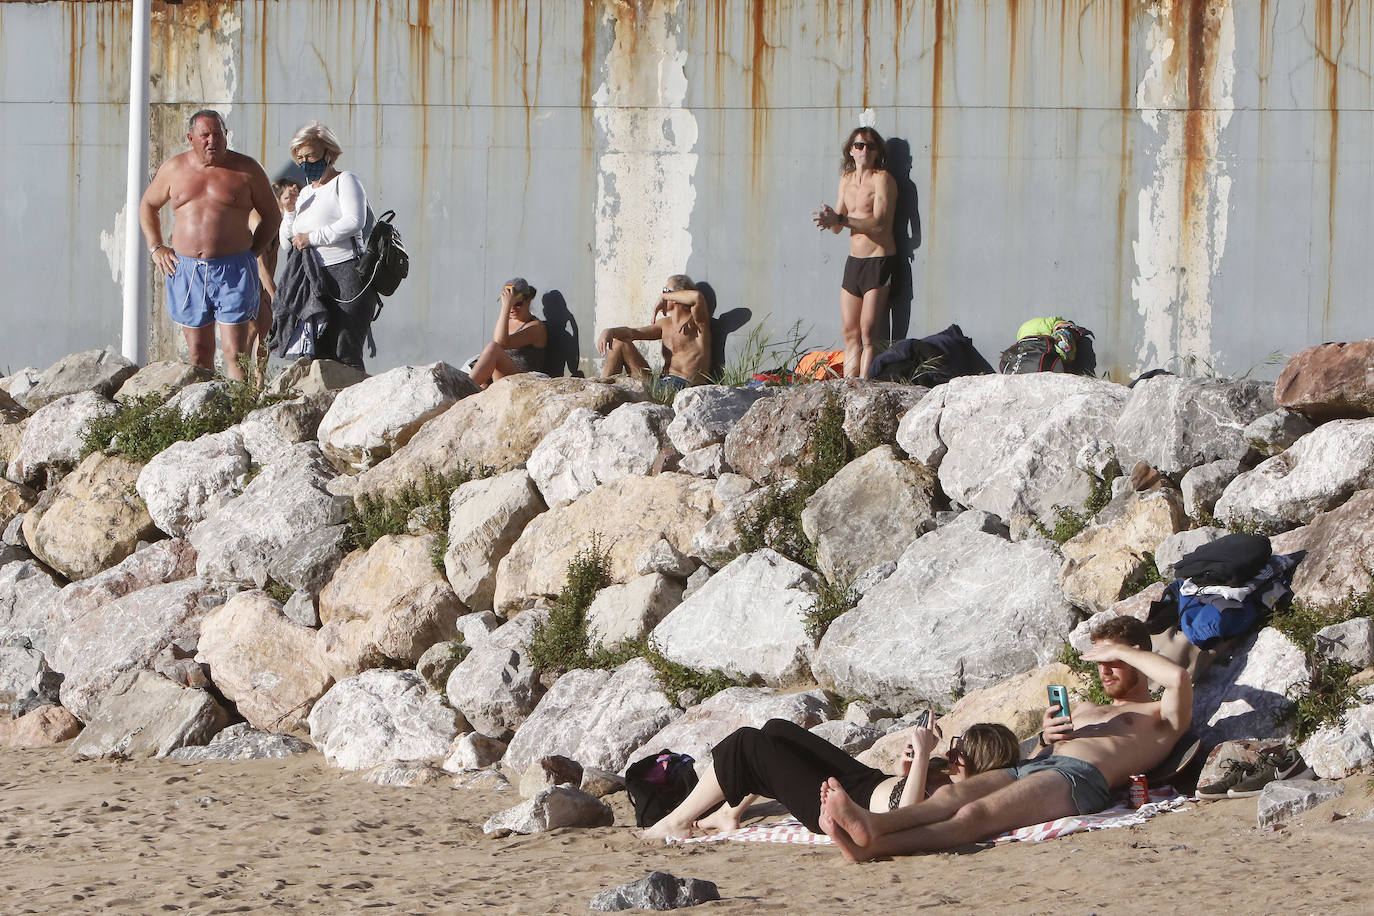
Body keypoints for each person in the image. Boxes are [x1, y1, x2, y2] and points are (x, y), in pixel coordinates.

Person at [817, 617, 1193, 860]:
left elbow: (1178, 679)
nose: (1105, 670)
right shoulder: (1084, 706)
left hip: (1078, 778)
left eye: (1114, 660)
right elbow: (1043, 748)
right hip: (1036, 766)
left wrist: (1121, 650)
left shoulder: (1160, 717)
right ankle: (871, 829)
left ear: (1139, 657)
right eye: (1100, 661)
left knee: (975, 815)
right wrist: (1047, 737)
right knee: (950, 794)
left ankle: (875, 840)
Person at [637, 718, 1019, 840]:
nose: (952, 751)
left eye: (961, 748)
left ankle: (677, 821)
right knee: (777, 730)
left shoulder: (961, 792)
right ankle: (729, 812)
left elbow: (906, 812)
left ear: (980, 760)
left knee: (747, 744)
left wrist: (921, 755)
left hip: (841, 804)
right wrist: (908, 767)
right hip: (865, 781)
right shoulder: (948, 775)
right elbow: (903, 789)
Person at [138, 109, 280, 382]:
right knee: (198, 353)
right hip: (188, 270)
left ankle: (238, 413)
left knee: (235, 352)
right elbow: (148, 205)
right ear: (191, 138)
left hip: (234, 269)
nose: (212, 140)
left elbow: (272, 215)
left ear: (226, 136)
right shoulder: (174, 168)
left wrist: (253, 251)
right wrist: (156, 246)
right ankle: (207, 413)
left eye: (218, 134)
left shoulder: (246, 169)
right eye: (205, 135)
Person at [277, 122, 377, 372]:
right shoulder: (305, 193)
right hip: (312, 280)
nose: (305, 162)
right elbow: (286, 243)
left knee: (346, 351)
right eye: (299, 158)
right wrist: (289, 212)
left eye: (310, 155)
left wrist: (312, 237)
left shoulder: (345, 181)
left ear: (328, 153)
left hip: (346, 275)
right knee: (316, 355)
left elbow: (355, 221)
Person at [812, 127, 898, 380]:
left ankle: (864, 386)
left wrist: (840, 219)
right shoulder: (846, 180)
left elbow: (880, 223)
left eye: (870, 146)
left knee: (868, 332)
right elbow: (839, 227)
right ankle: (848, 387)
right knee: (850, 331)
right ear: (851, 150)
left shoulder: (882, 179)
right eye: (859, 145)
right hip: (854, 262)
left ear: (877, 152)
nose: (864, 150)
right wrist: (831, 220)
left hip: (879, 259)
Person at [597, 274, 711, 392]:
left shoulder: (697, 323)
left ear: (677, 297)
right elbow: (633, 333)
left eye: (666, 291)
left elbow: (697, 297)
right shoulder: (665, 324)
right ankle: (602, 393)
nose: (662, 295)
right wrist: (609, 331)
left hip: (684, 387)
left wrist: (664, 296)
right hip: (660, 383)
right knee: (620, 343)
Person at [245, 178, 301, 378]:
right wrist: (276, 297)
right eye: (287, 198)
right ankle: (240, 385)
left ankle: (258, 385)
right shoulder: (259, 218)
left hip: (261, 283)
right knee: (251, 329)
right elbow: (260, 265)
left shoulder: (281, 224)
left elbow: (273, 260)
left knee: (267, 328)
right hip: (246, 279)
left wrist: (270, 296)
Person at [468, 278, 548, 387]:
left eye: (517, 303)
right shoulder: (506, 323)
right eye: (509, 304)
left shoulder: (536, 327)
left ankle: (465, 388)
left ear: (528, 300)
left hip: (522, 382)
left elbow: (500, 342)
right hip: (500, 378)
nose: (512, 308)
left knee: (494, 348)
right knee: (481, 382)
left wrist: (506, 306)